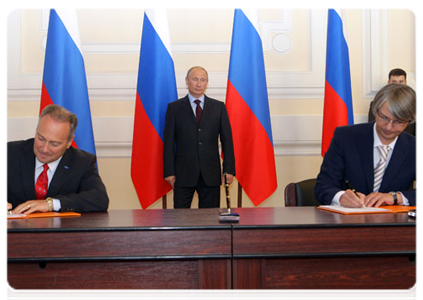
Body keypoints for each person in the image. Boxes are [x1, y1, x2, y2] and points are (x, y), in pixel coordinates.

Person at [316, 84, 420, 208]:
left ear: (409, 120)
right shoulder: (345, 137)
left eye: (398, 122)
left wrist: (395, 197)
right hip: (348, 222)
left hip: (394, 224)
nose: (389, 127)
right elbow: (323, 186)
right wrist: (340, 197)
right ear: (376, 111)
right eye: (384, 117)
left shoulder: (416, 148)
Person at [5, 104, 109, 214]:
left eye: (54, 144)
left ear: (69, 142)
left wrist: (51, 204)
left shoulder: (83, 162)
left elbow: (99, 199)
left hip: (60, 229)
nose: (44, 149)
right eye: (41, 139)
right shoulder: (8, 153)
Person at [163, 66, 235, 208]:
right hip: (183, 175)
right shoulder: (174, 108)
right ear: (187, 81)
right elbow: (169, 143)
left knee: (210, 220)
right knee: (180, 220)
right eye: (195, 79)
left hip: (211, 174)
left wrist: (229, 169)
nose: (198, 84)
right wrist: (169, 171)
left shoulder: (219, 107)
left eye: (202, 80)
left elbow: (227, 141)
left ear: (207, 82)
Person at [368, 68, 419, 137]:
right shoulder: (377, 103)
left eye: (401, 82)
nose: (397, 85)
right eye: (394, 82)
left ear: (406, 83)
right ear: (388, 82)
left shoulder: (413, 105)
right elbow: (372, 127)